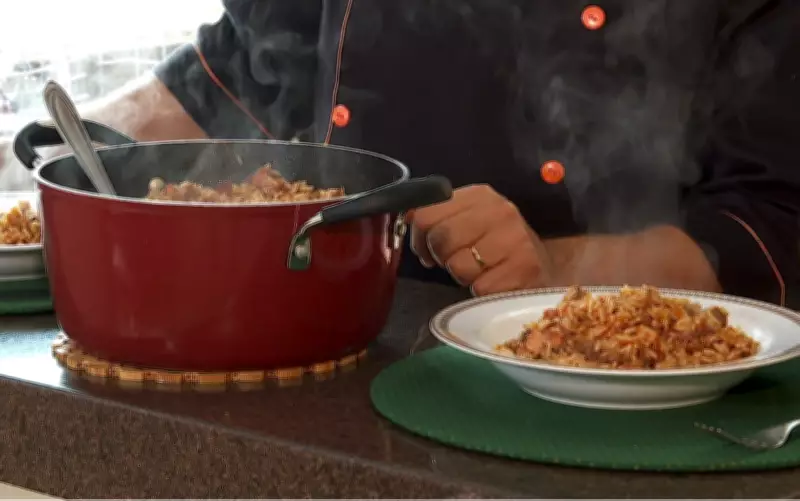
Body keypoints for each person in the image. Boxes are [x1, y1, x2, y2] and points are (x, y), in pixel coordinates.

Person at [1, 0, 798, 306]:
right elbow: (231, 72)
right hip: (331, 346)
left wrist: (556, 270)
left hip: (602, 396)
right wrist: (49, 167)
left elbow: (771, 226)